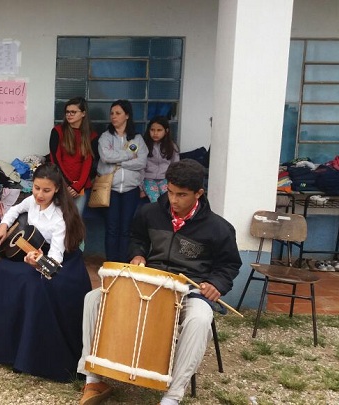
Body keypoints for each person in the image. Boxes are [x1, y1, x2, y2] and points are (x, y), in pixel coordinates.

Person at [77, 159, 242, 405]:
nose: (174, 200)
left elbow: (229, 265)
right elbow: (137, 238)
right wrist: (138, 254)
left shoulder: (219, 228)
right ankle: (93, 379)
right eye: (171, 191)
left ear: (199, 193)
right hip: (150, 284)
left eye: (182, 195)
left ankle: (172, 396)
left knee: (200, 320)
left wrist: (216, 283)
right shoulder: (150, 212)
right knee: (93, 298)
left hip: (189, 290)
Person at [0, 163, 92, 382]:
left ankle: (26, 354)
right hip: (30, 254)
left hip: (58, 266)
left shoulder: (60, 219)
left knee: (33, 286)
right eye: (36, 188)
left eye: (46, 190)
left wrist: (38, 263)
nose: (39, 195)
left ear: (57, 190)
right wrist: (3, 226)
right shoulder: (31, 200)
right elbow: (14, 210)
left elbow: (56, 259)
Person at [96, 99, 148, 263]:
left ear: (127, 115)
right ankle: (111, 263)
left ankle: (123, 264)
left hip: (130, 190)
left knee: (126, 228)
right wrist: (128, 156)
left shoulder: (137, 138)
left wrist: (118, 162)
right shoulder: (105, 137)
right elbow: (105, 157)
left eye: (118, 113)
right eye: (112, 113)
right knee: (112, 228)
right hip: (109, 189)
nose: (113, 116)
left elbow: (142, 162)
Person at [49, 96, 99, 216]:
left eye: (73, 112)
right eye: (67, 112)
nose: (69, 115)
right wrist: (68, 184)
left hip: (80, 187)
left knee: (76, 221)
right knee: (58, 221)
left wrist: (78, 186)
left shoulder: (91, 135)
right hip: (61, 184)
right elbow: (55, 159)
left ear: (83, 113)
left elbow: (88, 163)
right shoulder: (58, 131)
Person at [141, 116, 179, 203]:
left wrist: (174, 183)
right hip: (148, 179)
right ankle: (156, 217)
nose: (155, 133)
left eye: (159, 130)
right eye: (152, 130)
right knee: (155, 200)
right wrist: (140, 188)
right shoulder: (144, 146)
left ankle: (167, 217)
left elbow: (176, 167)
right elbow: (140, 167)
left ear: (166, 131)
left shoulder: (172, 146)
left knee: (167, 200)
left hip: (165, 179)